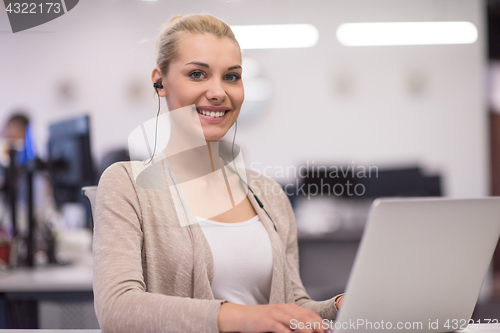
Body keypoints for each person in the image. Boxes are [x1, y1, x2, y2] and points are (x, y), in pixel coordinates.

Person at [93, 14, 343, 333]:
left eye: (232, 76)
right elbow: (118, 309)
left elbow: (289, 303)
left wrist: (336, 307)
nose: (218, 92)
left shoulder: (268, 194)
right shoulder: (127, 184)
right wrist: (243, 316)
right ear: (160, 82)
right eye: (197, 74)